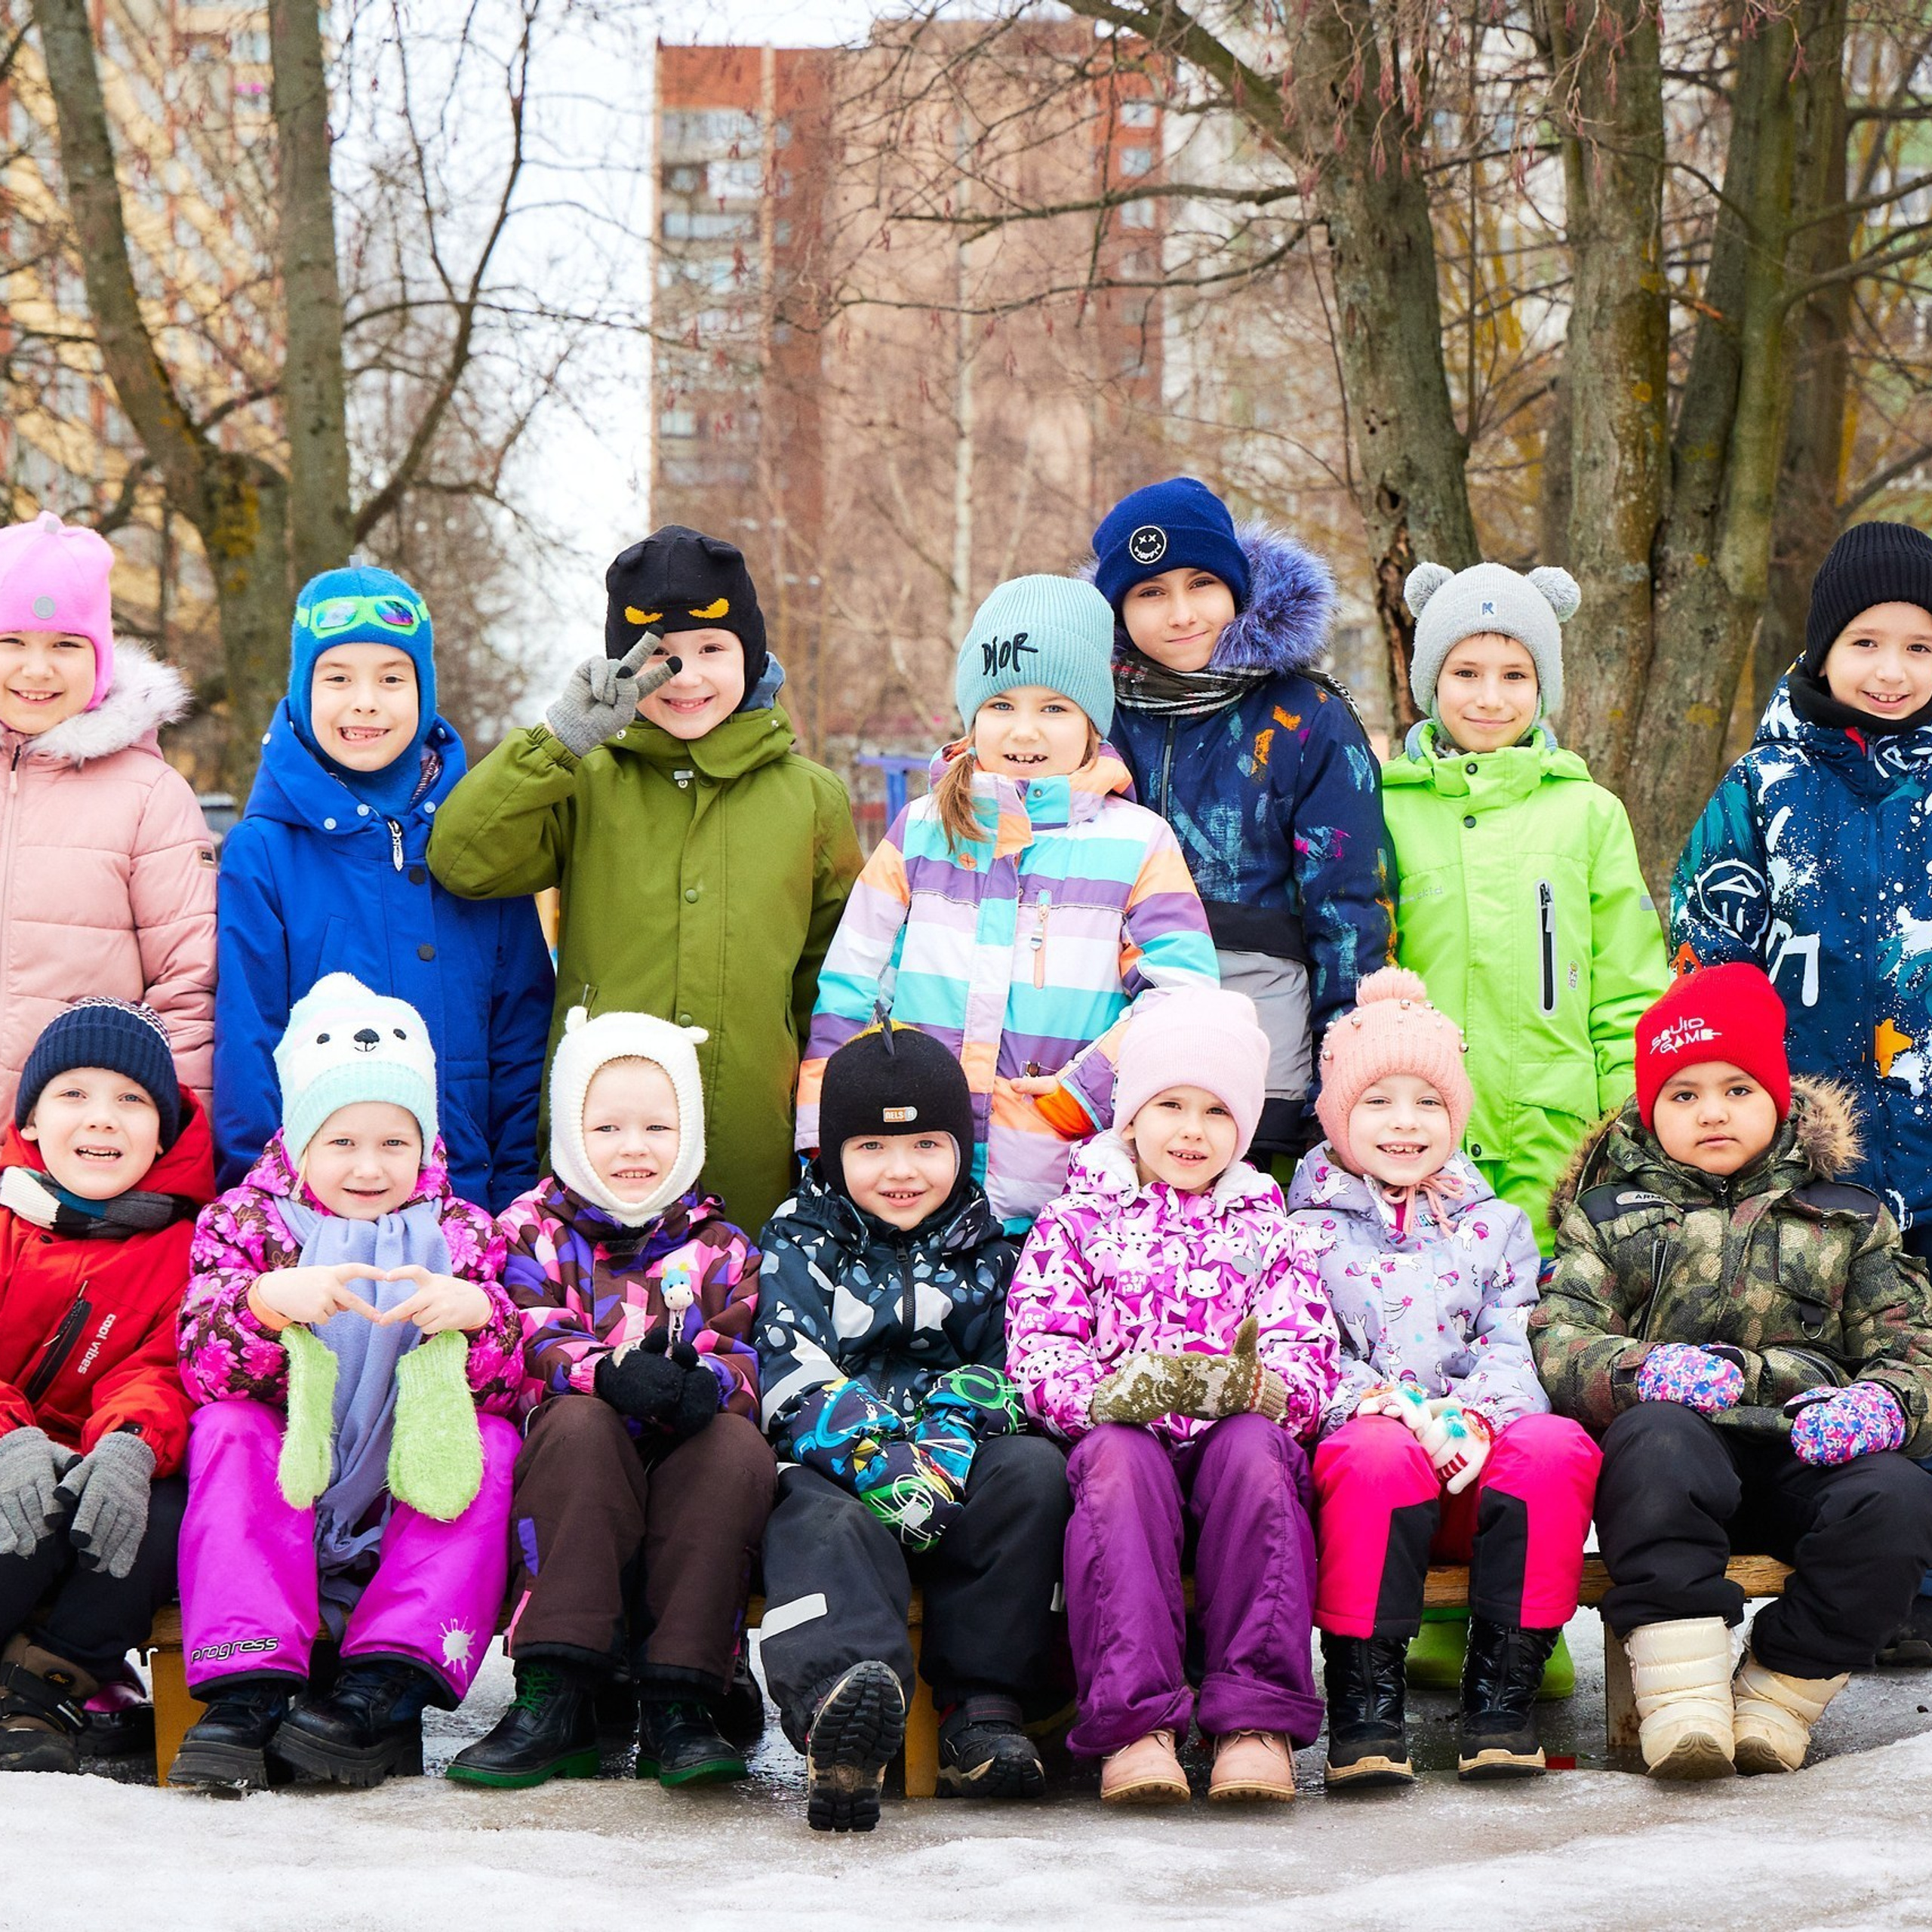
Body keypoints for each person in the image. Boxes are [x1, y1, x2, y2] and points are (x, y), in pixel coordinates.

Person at [1534, 964, 1932, 1778]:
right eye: (1682, 1095)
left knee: (1896, 1498)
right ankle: (1683, 1705)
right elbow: (1560, 1337)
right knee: (1652, 1441)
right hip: (1679, 1463)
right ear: (1649, 1111)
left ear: (1779, 1097)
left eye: (1736, 1088)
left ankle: (1777, 1694)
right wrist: (1645, 1371)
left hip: (1806, 1453)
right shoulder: (1608, 1216)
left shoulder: (1849, 1217)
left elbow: (1910, 1347)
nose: (1711, 1110)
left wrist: (1884, 1403)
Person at [1382, 556, 1665, 1695]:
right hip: (1415, 1148)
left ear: (1542, 684)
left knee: (1532, 1393)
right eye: (1465, 671)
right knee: (1420, 1369)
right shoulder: (1389, 809)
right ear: (1426, 681)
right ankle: (1431, 1616)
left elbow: (1626, 993)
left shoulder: (1586, 816)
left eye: (1512, 672)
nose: (1489, 695)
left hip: (1549, 1153)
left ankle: (1526, 1618)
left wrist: (1615, 1148)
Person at [428, 527, 861, 1234]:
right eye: (658, 656)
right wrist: (557, 741)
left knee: (740, 1330)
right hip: (604, 1145)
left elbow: (832, 982)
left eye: (711, 650)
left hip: (750, 1143)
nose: (685, 677)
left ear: (750, 655)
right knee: (594, 1333)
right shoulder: (584, 778)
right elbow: (466, 860)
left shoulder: (811, 800)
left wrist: (822, 1126)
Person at [171, 975, 526, 1792]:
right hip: (292, 1488)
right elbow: (197, 1359)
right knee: (227, 1426)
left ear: (427, 1143)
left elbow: (511, 1386)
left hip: (400, 1491)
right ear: (298, 1141)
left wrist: (480, 1316)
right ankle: (246, 1684)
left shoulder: (463, 1233)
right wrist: (259, 1303)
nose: (369, 1167)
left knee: (495, 1441)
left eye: (394, 1142)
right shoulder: (247, 1224)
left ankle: (388, 1681)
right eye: (342, 1143)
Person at [798, 575, 1218, 1232]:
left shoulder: (1137, 843)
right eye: (1000, 705)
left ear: (1091, 723)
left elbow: (1183, 995)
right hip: (918, 1190)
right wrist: (822, 1134)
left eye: (1055, 708)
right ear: (972, 715)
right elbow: (850, 986)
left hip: (1072, 1197)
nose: (1026, 732)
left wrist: (1086, 1091)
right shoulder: (922, 832)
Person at [1006, 987, 1339, 1804]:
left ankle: (1253, 1715)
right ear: (1130, 1114)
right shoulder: (1076, 1220)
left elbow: (1307, 1349)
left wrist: (1264, 1389)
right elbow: (1039, 1345)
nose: (1192, 1131)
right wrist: (1106, 1394)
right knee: (1115, 1467)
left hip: (1230, 1442)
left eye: (1216, 1113)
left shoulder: (1267, 1225)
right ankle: (1135, 1723)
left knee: (1261, 1457)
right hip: (1127, 1435)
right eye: (1170, 1105)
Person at [1285, 968, 1599, 1788]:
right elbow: (1305, 1352)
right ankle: (1366, 1704)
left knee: (1555, 1446)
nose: (1403, 1122)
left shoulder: (1495, 1227)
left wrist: (1475, 1417)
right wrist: (1391, 1407)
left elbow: (1512, 1339)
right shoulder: (1301, 1233)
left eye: (1427, 1101)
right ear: (1337, 1114)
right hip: (1366, 1481)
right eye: (1377, 1101)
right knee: (1375, 1452)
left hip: (1473, 1466)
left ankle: (1501, 1697)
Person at [448, 1006, 774, 1793]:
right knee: (582, 1424)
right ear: (569, 1130)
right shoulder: (529, 1230)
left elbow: (747, 1350)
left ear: (689, 1134)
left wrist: (712, 1382)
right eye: (608, 1128)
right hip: (576, 1462)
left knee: (734, 1449)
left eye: (658, 1128)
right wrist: (604, 1371)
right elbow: (524, 1328)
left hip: (683, 1457)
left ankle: (683, 1697)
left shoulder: (724, 1247)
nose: (634, 1148)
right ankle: (554, 1693)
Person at [755, 1022, 1069, 1831]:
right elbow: (789, 1371)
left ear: (961, 1148)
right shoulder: (800, 1237)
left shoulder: (994, 1246)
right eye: (871, 1148)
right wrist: (875, 1455)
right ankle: (843, 1706)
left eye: (927, 1144)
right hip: (837, 1463)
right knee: (817, 1520)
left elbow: (1020, 1366)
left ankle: (985, 1709)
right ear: (830, 1154)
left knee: (1033, 1474)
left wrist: (944, 1439)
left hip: (957, 1464)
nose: (901, 1171)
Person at [213, 565, 552, 1211]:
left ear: (423, 691)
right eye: (338, 678)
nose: (365, 701)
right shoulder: (265, 851)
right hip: (316, 1225)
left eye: (392, 678)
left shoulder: (481, 842)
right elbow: (248, 1045)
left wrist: (517, 1209)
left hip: (472, 1212)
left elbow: (521, 1040)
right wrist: (261, 1217)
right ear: (302, 689)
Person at [1089, 477, 1395, 1168]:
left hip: (1262, 1041)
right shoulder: (1087, 713)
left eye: (1200, 583)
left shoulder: (1306, 717)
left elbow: (1350, 911)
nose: (1180, 613)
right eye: (1150, 593)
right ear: (1117, 607)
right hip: (1103, 1032)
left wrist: (1343, 1070)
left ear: (1237, 585)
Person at [0, 1001, 214, 1773]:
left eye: (131, 1100)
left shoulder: (185, 1244)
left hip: (91, 1468)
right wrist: (10, 1438)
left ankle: (45, 1683)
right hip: (11, 1460)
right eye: (73, 1095)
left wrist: (128, 1444)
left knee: (163, 1508)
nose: (103, 1119)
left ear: (164, 1131)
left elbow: (160, 1368)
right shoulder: (4, 1218)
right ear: (30, 1120)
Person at [0, 512, 214, 1118]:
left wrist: (172, 1149)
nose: (36, 669)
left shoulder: (151, 796)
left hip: (80, 1162)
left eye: (65, 646)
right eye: (11, 642)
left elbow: (187, 989)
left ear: (98, 659)